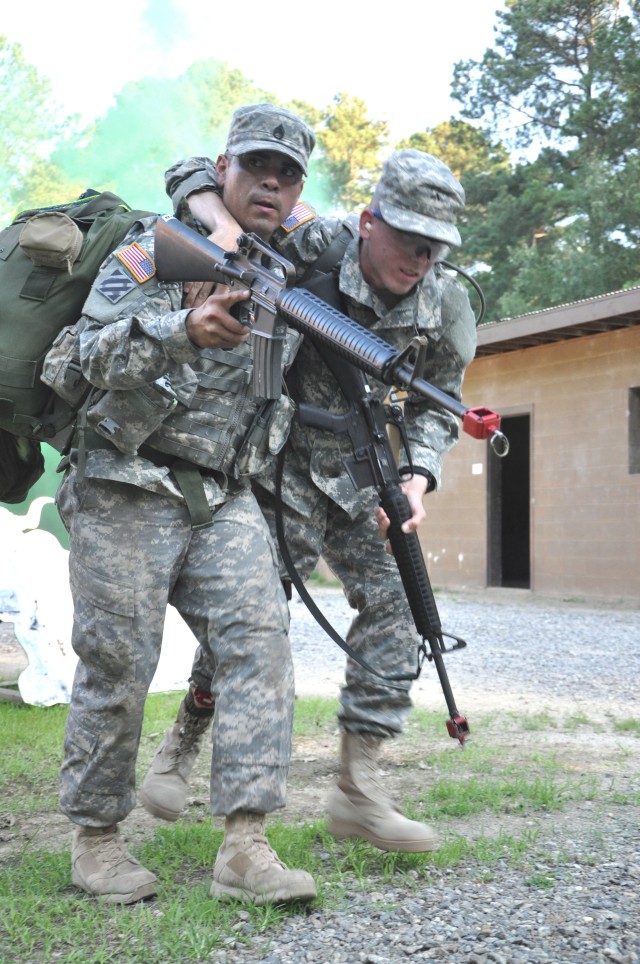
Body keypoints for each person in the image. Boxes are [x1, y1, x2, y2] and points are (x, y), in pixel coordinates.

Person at [141, 148, 477, 853]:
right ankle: (185, 736)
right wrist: (219, 228)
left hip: (364, 469)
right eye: (409, 238)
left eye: (434, 246)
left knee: (397, 606)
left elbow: (437, 405)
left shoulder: (444, 304)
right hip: (281, 461)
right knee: (254, 618)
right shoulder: (314, 243)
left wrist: (416, 475)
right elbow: (197, 172)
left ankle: (359, 790)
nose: (420, 258)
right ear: (368, 221)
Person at [53, 103, 320, 905]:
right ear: (223, 169)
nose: (270, 182)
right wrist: (182, 327)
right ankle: (95, 841)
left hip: (221, 496)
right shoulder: (151, 254)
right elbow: (88, 355)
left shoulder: (286, 271)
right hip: (124, 482)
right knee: (119, 663)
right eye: (256, 167)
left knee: (260, 644)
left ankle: (245, 844)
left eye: (288, 173)